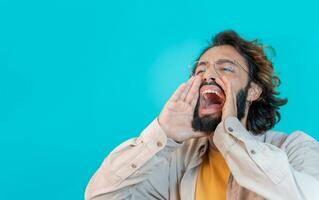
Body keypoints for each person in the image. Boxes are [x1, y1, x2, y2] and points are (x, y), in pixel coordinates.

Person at [85, 30, 319, 200]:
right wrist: (163, 132)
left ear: (253, 90)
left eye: (226, 68)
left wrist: (231, 136)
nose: (208, 75)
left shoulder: (294, 148)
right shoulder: (175, 162)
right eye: (201, 69)